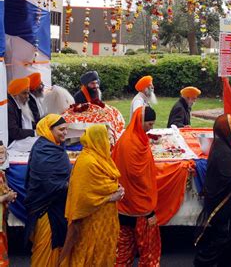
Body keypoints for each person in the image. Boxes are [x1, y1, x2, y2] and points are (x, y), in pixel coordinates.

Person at [59, 125, 124, 266]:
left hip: (104, 220)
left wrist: (116, 187)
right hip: (92, 222)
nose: (110, 142)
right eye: (107, 138)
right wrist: (111, 196)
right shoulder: (87, 162)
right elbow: (84, 197)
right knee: (91, 256)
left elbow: (107, 180)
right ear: (97, 139)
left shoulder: (100, 155)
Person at [194, 114, 231, 266]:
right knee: (222, 237)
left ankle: (227, 263)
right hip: (223, 204)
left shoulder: (222, 144)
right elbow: (228, 178)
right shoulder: (223, 151)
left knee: (230, 236)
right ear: (227, 131)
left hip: (228, 202)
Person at [113, 106, 161, 266]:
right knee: (148, 249)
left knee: (124, 249)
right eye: (149, 124)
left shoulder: (128, 138)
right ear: (140, 122)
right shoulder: (132, 144)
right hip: (141, 207)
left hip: (123, 205)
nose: (151, 128)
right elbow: (138, 177)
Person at [24, 114, 71, 266]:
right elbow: (47, 183)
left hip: (56, 207)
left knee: (56, 248)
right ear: (48, 130)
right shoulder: (44, 150)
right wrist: (72, 185)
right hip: (45, 208)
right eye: (61, 129)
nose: (65, 133)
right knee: (45, 251)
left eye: (66, 129)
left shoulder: (53, 146)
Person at [0, 141, 17, 266]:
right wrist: (7, 196)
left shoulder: (2, 173)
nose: (1, 155)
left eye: (3, 152)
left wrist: (9, 196)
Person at [7, 77, 35, 145]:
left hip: (21, 140)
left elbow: (31, 124)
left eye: (28, 93)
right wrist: (34, 132)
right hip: (12, 143)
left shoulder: (21, 103)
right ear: (15, 94)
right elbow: (14, 132)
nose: (27, 96)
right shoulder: (9, 107)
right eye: (24, 93)